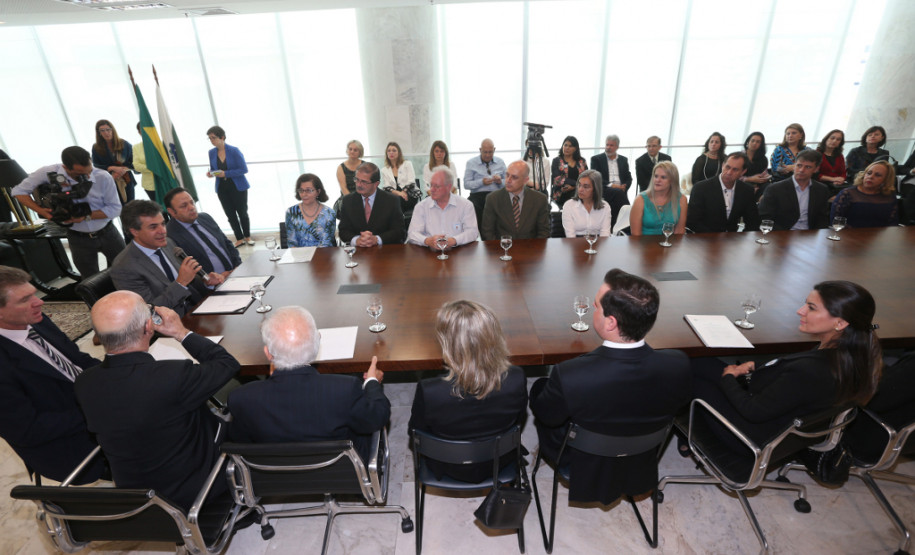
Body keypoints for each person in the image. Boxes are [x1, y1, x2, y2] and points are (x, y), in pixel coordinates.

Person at [530, 268, 691, 504]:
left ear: (611, 322)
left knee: (540, 392)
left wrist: (537, 391)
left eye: (596, 306)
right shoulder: (679, 364)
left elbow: (548, 416)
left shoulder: (570, 374)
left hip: (581, 461)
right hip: (642, 457)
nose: (593, 309)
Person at [75, 290, 240, 511]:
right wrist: (181, 332)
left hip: (138, 499)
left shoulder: (84, 383)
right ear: (148, 327)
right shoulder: (172, 376)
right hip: (198, 491)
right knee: (244, 409)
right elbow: (227, 364)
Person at [691, 281, 882, 447]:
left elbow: (752, 411)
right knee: (698, 362)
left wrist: (729, 378)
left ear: (840, 323)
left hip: (748, 436)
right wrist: (756, 366)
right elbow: (790, 379)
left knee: (687, 372)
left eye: (811, 307)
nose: (800, 311)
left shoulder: (810, 371)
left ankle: (678, 438)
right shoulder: (853, 355)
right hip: (778, 424)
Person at [228, 306, 389, 462]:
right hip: (342, 475)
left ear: (268, 353)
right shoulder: (345, 389)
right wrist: (371, 383)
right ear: (317, 343)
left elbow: (242, 444)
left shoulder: (241, 398)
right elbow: (377, 417)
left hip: (274, 481)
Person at [0, 266, 106, 483]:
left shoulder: (37, 321)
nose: (40, 302)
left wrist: (118, 375)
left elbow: (78, 359)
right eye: (24, 299)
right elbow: (28, 430)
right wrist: (95, 412)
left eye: (34, 294)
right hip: (70, 446)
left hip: (92, 406)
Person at [409, 300, 527, 483]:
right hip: (498, 462)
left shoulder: (430, 390)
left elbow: (415, 432)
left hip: (446, 465)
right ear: (494, 337)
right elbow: (518, 420)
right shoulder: (516, 378)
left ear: (447, 342)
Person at [12, 146, 125, 279]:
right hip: (78, 237)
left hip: (108, 233)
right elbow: (18, 192)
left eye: (89, 171)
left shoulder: (102, 176)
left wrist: (84, 217)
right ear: (66, 168)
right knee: (90, 280)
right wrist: (42, 211)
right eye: (80, 174)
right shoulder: (48, 173)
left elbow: (115, 209)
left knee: (126, 270)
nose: (87, 176)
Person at [111, 200, 222, 316]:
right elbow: (149, 312)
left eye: (163, 224)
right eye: (153, 227)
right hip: (170, 322)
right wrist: (181, 282)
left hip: (197, 307)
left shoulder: (168, 243)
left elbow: (190, 282)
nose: (163, 231)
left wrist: (207, 281)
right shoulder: (124, 267)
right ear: (134, 231)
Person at [164, 187, 242, 277]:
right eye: (184, 206)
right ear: (172, 212)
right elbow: (182, 270)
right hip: (212, 286)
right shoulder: (169, 235)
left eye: (192, 202)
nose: (191, 207)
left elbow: (227, 244)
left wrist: (237, 267)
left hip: (235, 273)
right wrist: (210, 278)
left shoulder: (205, 217)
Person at [687, 152, 761, 233]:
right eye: (727, 167)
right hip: (705, 238)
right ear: (722, 165)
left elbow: (753, 222)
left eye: (735, 169)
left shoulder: (746, 190)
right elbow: (692, 222)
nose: (729, 172)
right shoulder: (701, 188)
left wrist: (742, 239)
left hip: (732, 239)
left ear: (743, 172)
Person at [338, 162, 405, 247]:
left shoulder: (391, 200)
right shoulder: (348, 200)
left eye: (364, 182)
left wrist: (377, 239)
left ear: (376, 184)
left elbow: (399, 231)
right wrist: (357, 240)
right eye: (357, 179)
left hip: (385, 252)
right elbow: (343, 231)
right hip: (358, 252)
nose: (358, 184)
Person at [758, 150, 829, 231]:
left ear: (816, 169)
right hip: (782, 234)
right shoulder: (775, 189)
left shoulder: (822, 190)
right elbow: (764, 218)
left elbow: (822, 219)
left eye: (808, 167)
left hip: (809, 235)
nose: (801, 170)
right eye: (799, 165)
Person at [407, 168, 478, 248]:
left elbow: (473, 232)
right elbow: (412, 234)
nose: (432, 190)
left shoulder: (465, 205)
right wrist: (427, 241)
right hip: (429, 252)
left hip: (459, 252)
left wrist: (454, 240)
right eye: (431, 185)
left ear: (449, 187)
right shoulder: (421, 207)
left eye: (437, 186)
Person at [480, 160, 551, 241]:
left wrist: (533, 251)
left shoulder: (539, 199)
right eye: (507, 175)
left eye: (514, 177)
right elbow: (487, 232)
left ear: (525, 180)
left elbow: (544, 232)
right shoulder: (493, 199)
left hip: (531, 250)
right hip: (501, 249)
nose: (508, 180)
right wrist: (500, 250)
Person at [206, 125, 252, 248]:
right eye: (209, 138)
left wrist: (226, 173)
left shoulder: (234, 150)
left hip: (237, 186)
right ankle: (239, 238)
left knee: (242, 212)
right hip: (222, 187)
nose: (212, 141)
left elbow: (243, 169)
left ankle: (247, 236)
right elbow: (214, 169)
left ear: (222, 137)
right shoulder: (211, 153)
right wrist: (211, 173)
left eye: (213, 137)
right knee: (230, 214)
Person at [830, 160, 898, 228]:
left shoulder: (889, 196)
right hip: (850, 235)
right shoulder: (847, 194)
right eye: (869, 173)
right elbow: (835, 221)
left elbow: (893, 223)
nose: (871, 177)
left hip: (879, 237)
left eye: (877, 175)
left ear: (886, 179)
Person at [630, 161, 687, 236]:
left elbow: (679, 231)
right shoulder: (640, 200)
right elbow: (635, 235)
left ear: (672, 181)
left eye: (663, 177)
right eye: (656, 176)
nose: (657, 180)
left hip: (669, 244)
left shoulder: (682, 199)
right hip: (643, 245)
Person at [284, 173, 337, 247]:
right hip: (299, 256)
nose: (304, 194)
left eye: (308, 190)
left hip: (323, 255)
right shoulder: (291, 212)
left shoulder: (329, 213)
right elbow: (291, 242)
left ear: (318, 192)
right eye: (301, 190)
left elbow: (326, 243)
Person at [91, 119, 136, 204]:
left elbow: (134, 162)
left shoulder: (124, 144)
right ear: (99, 133)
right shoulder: (96, 147)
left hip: (127, 179)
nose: (106, 133)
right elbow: (96, 165)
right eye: (102, 130)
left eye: (108, 129)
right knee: (118, 207)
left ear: (112, 130)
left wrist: (124, 169)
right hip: (110, 181)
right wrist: (111, 168)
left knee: (131, 206)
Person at [464, 139, 506, 227]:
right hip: (478, 196)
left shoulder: (500, 162)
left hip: (496, 195)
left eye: (490, 152)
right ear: (480, 150)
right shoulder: (471, 163)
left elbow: (509, 182)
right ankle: (483, 236)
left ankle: (499, 236)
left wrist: (500, 181)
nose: (487, 155)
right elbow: (466, 184)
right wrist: (481, 182)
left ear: (494, 150)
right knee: (473, 208)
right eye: (485, 152)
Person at [561, 169, 612, 237]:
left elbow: (605, 234)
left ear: (595, 189)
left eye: (586, 187)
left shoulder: (605, 206)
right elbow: (570, 236)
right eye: (579, 185)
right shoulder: (569, 205)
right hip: (575, 244)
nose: (580, 189)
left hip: (598, 243)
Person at [380, 141, 420, 222]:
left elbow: (411, 182)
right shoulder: (384, 170)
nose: (391, 152)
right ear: (386, 153)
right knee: (390, 199)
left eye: (394, 150)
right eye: (389, 150)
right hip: (396, 195)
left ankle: (399, 222)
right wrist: (399, 193)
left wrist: (403, 192)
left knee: (395, 201)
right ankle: (398, 222)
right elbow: (387, 187)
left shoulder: (407, 164)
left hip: (410, 194)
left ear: (399, 153)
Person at [552, 135, 589, 208]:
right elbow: (558, 180)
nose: (567, 148)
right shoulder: (557, 161)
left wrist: (574, 187)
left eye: (570, 146)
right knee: (576, 197)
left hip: (579, 190)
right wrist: (577, 184)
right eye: (565, 145)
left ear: (575, 148)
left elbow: (586, 178)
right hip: (561, 192)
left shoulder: (582, 161)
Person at [742, 132, 770, 199]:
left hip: (758, 184)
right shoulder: (740, 157)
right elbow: (734, 176)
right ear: (748, 142)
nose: (754, 143)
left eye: (758, 142)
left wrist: (764, 177)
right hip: (742, 182)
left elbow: (764, 174)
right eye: (753, 141)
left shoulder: (763, 159)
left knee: (770, 187)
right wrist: (750, 179)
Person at [132, 123, 156, 201]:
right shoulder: (136, 147)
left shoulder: (161, 145)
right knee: (159, 210)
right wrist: (155, 168)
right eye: (142, 130)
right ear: (139, 132)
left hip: (165, 182)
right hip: (149, 185)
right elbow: (137, 166)